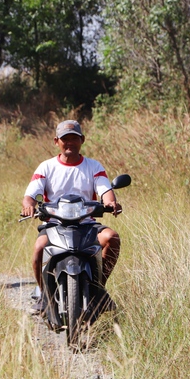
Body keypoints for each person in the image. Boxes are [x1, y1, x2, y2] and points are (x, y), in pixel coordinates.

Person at [21, 120, 122, 314]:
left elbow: (105, 190)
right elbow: (30, 195)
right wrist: (29, 206)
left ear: (82, 140)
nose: (70, 143)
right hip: (54, 225)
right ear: (56, 141)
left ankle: (98, 289)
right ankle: (45, 295)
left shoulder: (93, 166)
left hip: (86, 225)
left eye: (74, 138)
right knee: (38, 250)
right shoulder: (46, 167)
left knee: (111, 237)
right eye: (65, 139)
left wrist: (110, 202)